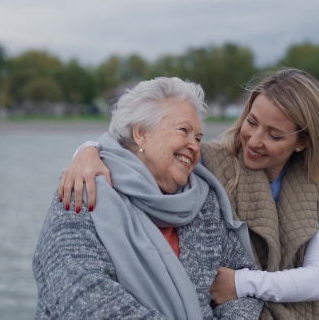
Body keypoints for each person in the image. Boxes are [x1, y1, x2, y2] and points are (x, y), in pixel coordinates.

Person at [60, 68, 319, 320]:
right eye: (251, 121)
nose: (255, 140)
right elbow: (137, 148)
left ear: (302, 142)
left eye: (274, 135)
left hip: (282, 305)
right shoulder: (211, 161)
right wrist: (87, 151)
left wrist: (240, 282)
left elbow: (318, 279)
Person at [33, 77, 263, 319]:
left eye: (198, 138)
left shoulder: (203, 204)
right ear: (141, 133)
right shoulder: (82, 190)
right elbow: (83, 301)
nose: (195, 147)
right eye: (184, 130)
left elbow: (241, 282)